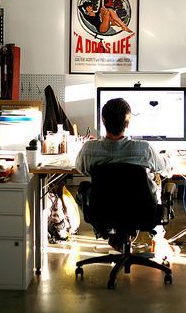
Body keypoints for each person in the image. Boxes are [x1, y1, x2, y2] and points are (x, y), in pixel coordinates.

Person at [75, 98, 177, 256]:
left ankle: (109, 234)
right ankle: (158, 238)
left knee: (83, 188)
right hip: (142, 212)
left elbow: (81, 169)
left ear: (103, 121)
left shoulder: (89, 149)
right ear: (127, 124)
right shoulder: (144, 149)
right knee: (156, 179)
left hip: (104, 210)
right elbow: (167, 169)